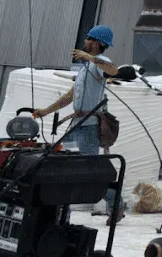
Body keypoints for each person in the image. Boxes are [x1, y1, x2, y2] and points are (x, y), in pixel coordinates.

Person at [31, 25, 123, 221]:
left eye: (88, 38)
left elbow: (113, 70)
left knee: (89, 172)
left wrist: (89, 57)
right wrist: (46, 111)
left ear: (96, 43)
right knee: (66, 168)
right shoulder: (85, 68)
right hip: (77, 124)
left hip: (88, 127)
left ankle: (115, 203)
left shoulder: (99, 63)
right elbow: (70, 96)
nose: (84, 41)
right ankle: (63, 213)